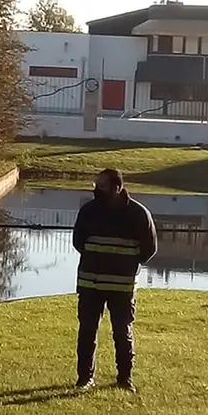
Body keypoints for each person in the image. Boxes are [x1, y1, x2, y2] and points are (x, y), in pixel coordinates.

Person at [72, 168, 157, 393]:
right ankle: (84, 379)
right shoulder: (88, 211)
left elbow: (149, 248)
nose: (96, 190)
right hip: (91, 283)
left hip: (122, 286)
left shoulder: (139, 214)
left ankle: (124, 379)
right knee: (87, 331)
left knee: (122, 331)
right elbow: (78, 241)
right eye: (95, 185)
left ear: (117, 188)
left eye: (101, 186)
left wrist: (124, 265)